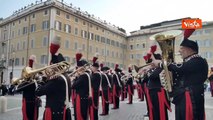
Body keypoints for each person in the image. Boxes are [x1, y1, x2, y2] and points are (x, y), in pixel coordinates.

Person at [152, 31, 209, 120]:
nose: (179, 51)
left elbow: (180, 68)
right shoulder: (189, 61)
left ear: (189, 49)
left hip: (191, 97)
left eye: (181, 48)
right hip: (184, 97)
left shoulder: (198, 60)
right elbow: (178, 71)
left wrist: (161, 64)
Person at [35, 36, 72, 120]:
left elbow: (38, 92)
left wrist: (43, 79)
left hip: (53, 114)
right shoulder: (66, 77)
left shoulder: (56, 80)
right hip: (63, 111)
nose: (49, 68)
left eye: (51, 66)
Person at [16, 55, 40, 120]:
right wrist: (26, 80)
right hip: (27, 102)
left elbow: (39, 89)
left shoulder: (35, 81)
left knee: (34, 117)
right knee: (27, 117)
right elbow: (18, 89)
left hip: (34, 102)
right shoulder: (26, 82)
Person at [71, 52, 91, 120]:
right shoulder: (87, 75)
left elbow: (73, 86)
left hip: (81, 98)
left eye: (78, 67)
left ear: (81, 68)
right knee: (84, 115)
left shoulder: (83, 76)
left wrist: (75, 78)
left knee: (80, 115)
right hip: (84, 97)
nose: (77, 69)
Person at [89, 54, 101, 120]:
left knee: (93, 109)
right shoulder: (95, 74)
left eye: (92, 67)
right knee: (93, 110)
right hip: (95, 92)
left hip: (94, 92)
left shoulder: (96, 75)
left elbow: (90, 81)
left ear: (95, 68)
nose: (91, 68)